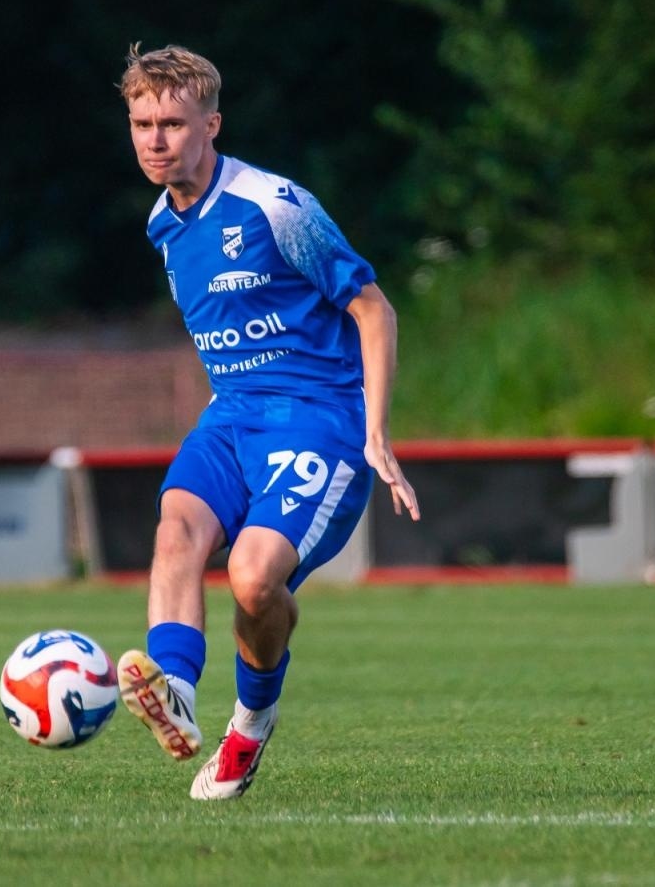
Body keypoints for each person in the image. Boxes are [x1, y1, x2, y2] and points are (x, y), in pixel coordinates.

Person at [112, 43, 421, 800]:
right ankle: (175, 691)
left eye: (174, 124)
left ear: (211, 124)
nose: (156, 139)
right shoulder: (163, 222)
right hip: (232, 419)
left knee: (252, 580)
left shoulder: (276, 207)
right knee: (176, 530)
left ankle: (250, 724)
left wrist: (376, 432)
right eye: (142, 122)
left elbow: (372, 308)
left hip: (319, 419)